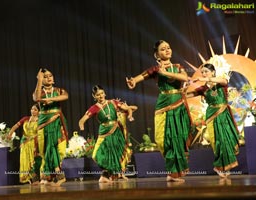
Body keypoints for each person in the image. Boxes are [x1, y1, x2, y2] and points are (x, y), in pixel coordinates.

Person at [126, 40, 191, 182]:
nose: (167, 50)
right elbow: (142, 76)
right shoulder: (155, 69)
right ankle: (172, 170)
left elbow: (185, 77)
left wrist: (166, 73)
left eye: (168, 47)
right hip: (163, 104)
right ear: (157, 54)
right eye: (163, 49)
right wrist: (133, 81)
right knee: (162, 140)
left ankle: (174, 172)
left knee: (178, 139)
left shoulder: (178, 67)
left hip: (178, 104)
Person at [187, 63, 239, 178]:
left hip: (224, 115)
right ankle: (220, 166)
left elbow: (224, 81)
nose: (204, 74)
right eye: (203, 72)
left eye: (206, 71)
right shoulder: (203, 89)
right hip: (211, 116)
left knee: (225, 139)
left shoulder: (221, 82)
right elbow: (188, 95)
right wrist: (182, 90)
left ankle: (227, 166)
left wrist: (206, 79)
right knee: (216, 141)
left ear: (213, 72)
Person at [78, 85, 134, 183]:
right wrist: (81, 126)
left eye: (102, 93)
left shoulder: (113, 102)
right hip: (104, 132)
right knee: (96, 155)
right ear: (94, 96)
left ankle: (115, 174)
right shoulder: (94, 108)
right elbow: (82, 120)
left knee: (116, 153)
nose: (101, 96)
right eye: (98, 95)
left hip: (116, 131)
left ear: (105, 93)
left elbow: (128, 108)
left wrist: (129, 115)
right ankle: (108, 174)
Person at [33, 68, 69, 186]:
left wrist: (50, 99)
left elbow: (65, 96)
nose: (49, 78)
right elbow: (36, 98)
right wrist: (39, 80)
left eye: (50, 76)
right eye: (46, 76)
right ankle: (52, 176)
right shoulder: (40, 91)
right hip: (44, 123)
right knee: (45, 149)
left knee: (54, 147)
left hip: (56, 122)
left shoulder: (59, 90)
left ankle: (58, 176)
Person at [7, 104, 44, 184]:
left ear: (39, 111)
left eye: (35, 110)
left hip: (34, 142)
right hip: (24, 142)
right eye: (32, 109)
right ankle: (28, 179)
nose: (33, 111)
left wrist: (32, 138)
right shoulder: (25, 119)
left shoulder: (40, 120)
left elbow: (41, 132)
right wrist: (10, 133)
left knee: (33, 160)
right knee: (24, 160)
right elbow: (16, 126)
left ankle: (35, 179)